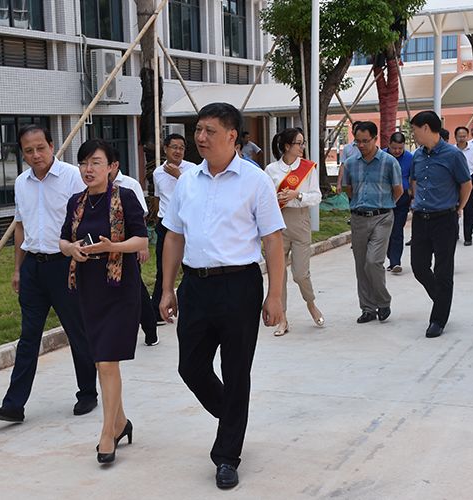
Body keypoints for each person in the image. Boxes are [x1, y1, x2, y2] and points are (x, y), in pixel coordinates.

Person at [158, 103, 285, 490]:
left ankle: (227, 455)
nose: (200, 137)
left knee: (236, 370)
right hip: (195, 286)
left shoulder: (255, 180)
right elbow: (174, 236)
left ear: (232, 136)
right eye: (198, 129)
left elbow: (272, 241)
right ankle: (233, 416)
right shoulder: (187, 181)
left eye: (209, 131)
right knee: (190, 367)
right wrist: (167, 287)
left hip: (239, 285)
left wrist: (275, 296)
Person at [0, 125, 98, 425]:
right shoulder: (21, 183)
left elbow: (87, 217)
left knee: (77, 331)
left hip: (66, 265)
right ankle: (14, 405)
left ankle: (87, 392)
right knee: (28, 337)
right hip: (33, 268)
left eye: (40, 148)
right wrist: (17, 269)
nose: (36, 155)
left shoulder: (72, 177)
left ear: (51, 145)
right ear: (22, 154)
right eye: (28, 150)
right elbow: (20, 227)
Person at [59, 139, 149, 464]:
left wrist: (114, 246)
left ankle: (107, 433)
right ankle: (121, 421)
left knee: (108, 362)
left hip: (119, 288)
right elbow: (63, 240)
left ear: (112, 167)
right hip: (88, 288)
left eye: (96, 162)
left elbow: (141, 239)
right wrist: (72, 249)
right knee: (101, 361)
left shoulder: (125, 197)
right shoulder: (76, 202)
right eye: (84, 163)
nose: (88, 169)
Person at [409, 111, 473, 339]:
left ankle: (438, 319)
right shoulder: (417, 155)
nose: (413, 134)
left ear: (426, 128)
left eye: (415, 129)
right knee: (418, 266)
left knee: (443, 270)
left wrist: (458, 208)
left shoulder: (453, 155)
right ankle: (442, 300)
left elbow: (466, 185)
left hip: (444, 219)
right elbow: (414, 181)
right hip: (421, 218)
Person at [264, 127, 325, 336]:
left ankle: (311, 303)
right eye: (299, 143)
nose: (302, 147)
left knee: (300, 274)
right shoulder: (271, 170)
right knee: (278, 274)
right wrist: (277, 198)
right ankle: (282, 318)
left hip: (300, 221)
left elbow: (316, 196)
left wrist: (297, 195)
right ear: (287, 146)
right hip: (277, 223)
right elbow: (264, 198)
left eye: (303, 143)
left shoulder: (308, 168)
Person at [342, 121, 403, 323]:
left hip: (382, 217)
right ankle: (367, 308)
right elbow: (348, 188)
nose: (361, 145)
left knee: (373, 261)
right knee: (361, 265)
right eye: (357, 141)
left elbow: (398, 190)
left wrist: (384, 204)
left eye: (365, 141)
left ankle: (383, 302)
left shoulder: (389, 162)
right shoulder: (351, 163)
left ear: (375, 139)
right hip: (358, 218)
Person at [110, 163, 158, 346]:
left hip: (128, 248)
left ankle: (150, 329)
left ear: (113, 164)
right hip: (105, 251)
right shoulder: (93, 187)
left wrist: (142, 246)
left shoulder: (130, 185)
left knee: (137, 291)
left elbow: (141, 217)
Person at [151, 134, 197, 326]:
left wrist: (179, 176)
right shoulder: (157, 173)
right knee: (163, 268)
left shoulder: (192, 170)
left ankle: (189, 308)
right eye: (174, 147)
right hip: (165, 223)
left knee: (190, 267)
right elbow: (158, 197)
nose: (178, 151)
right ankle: (157, 312)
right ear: (165, 149)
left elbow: (196, 194)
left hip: (186, 223)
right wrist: (156, 219)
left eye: (181, 148)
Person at [386, 132, 414, 273]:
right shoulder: (381, 156)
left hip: (402, 199)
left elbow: (413, 178)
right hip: (384, 198)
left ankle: (395, 262)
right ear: (389, 145)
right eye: (394, 148)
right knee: (385, 231)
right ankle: (390, 256)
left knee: (397, 230)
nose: (397, 151)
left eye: (400, 148)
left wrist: (412, 195)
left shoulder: (410, 158)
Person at [455, 126, 473, 246]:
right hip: (454, 182)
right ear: (455, 137)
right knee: (454, 210)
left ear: (467, 136)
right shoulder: (452, 150)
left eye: (464, 136)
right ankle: (454, 234)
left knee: (469, 210)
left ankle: (468, 237)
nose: (462, 138)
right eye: (459, 136)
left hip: (469, 180)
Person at [336, 121, 362, 193]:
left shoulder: (368, 148)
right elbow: (343, 166)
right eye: (356, 130)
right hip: (350, 184)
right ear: (352, 132)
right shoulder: (347, 148)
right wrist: (339, 184)